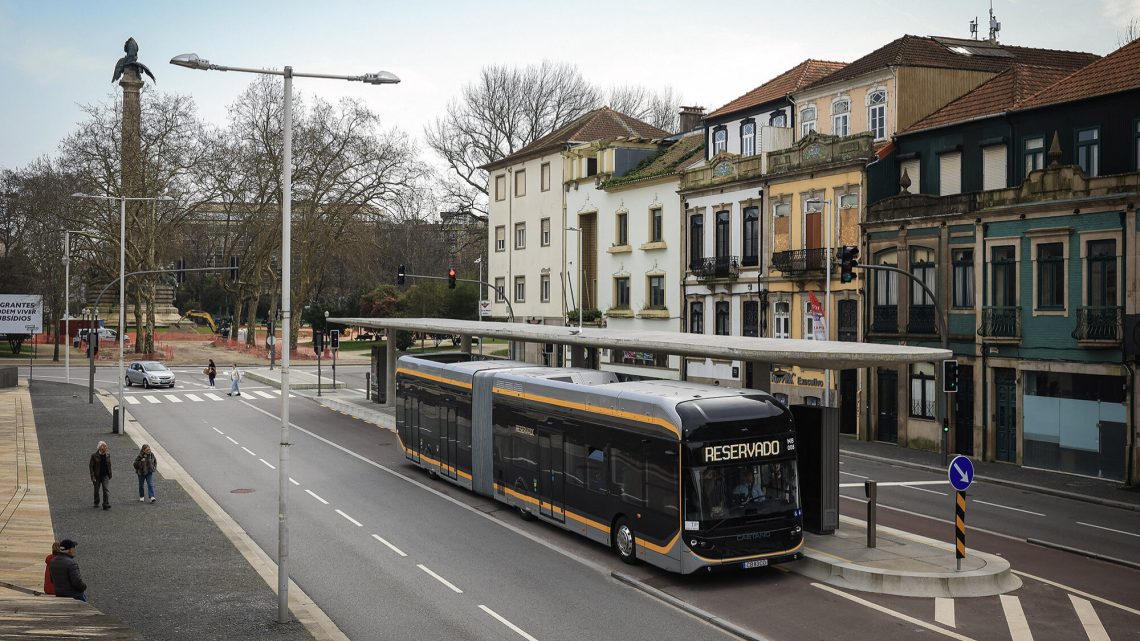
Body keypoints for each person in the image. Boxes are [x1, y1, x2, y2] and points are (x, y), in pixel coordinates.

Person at [89, 441, 112, 510]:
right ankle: (96, 502)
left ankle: (106, 503)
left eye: (105, 446)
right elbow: (91, 467)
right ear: (99, 448)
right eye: (103, 446)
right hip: (97, 476)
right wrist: (92, 477)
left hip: (105, 475)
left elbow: (109, 465)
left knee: (106, 489)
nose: (105, 448)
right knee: (96, 490)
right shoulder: (94, 456)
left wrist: (110, 474)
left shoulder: (108, 455)